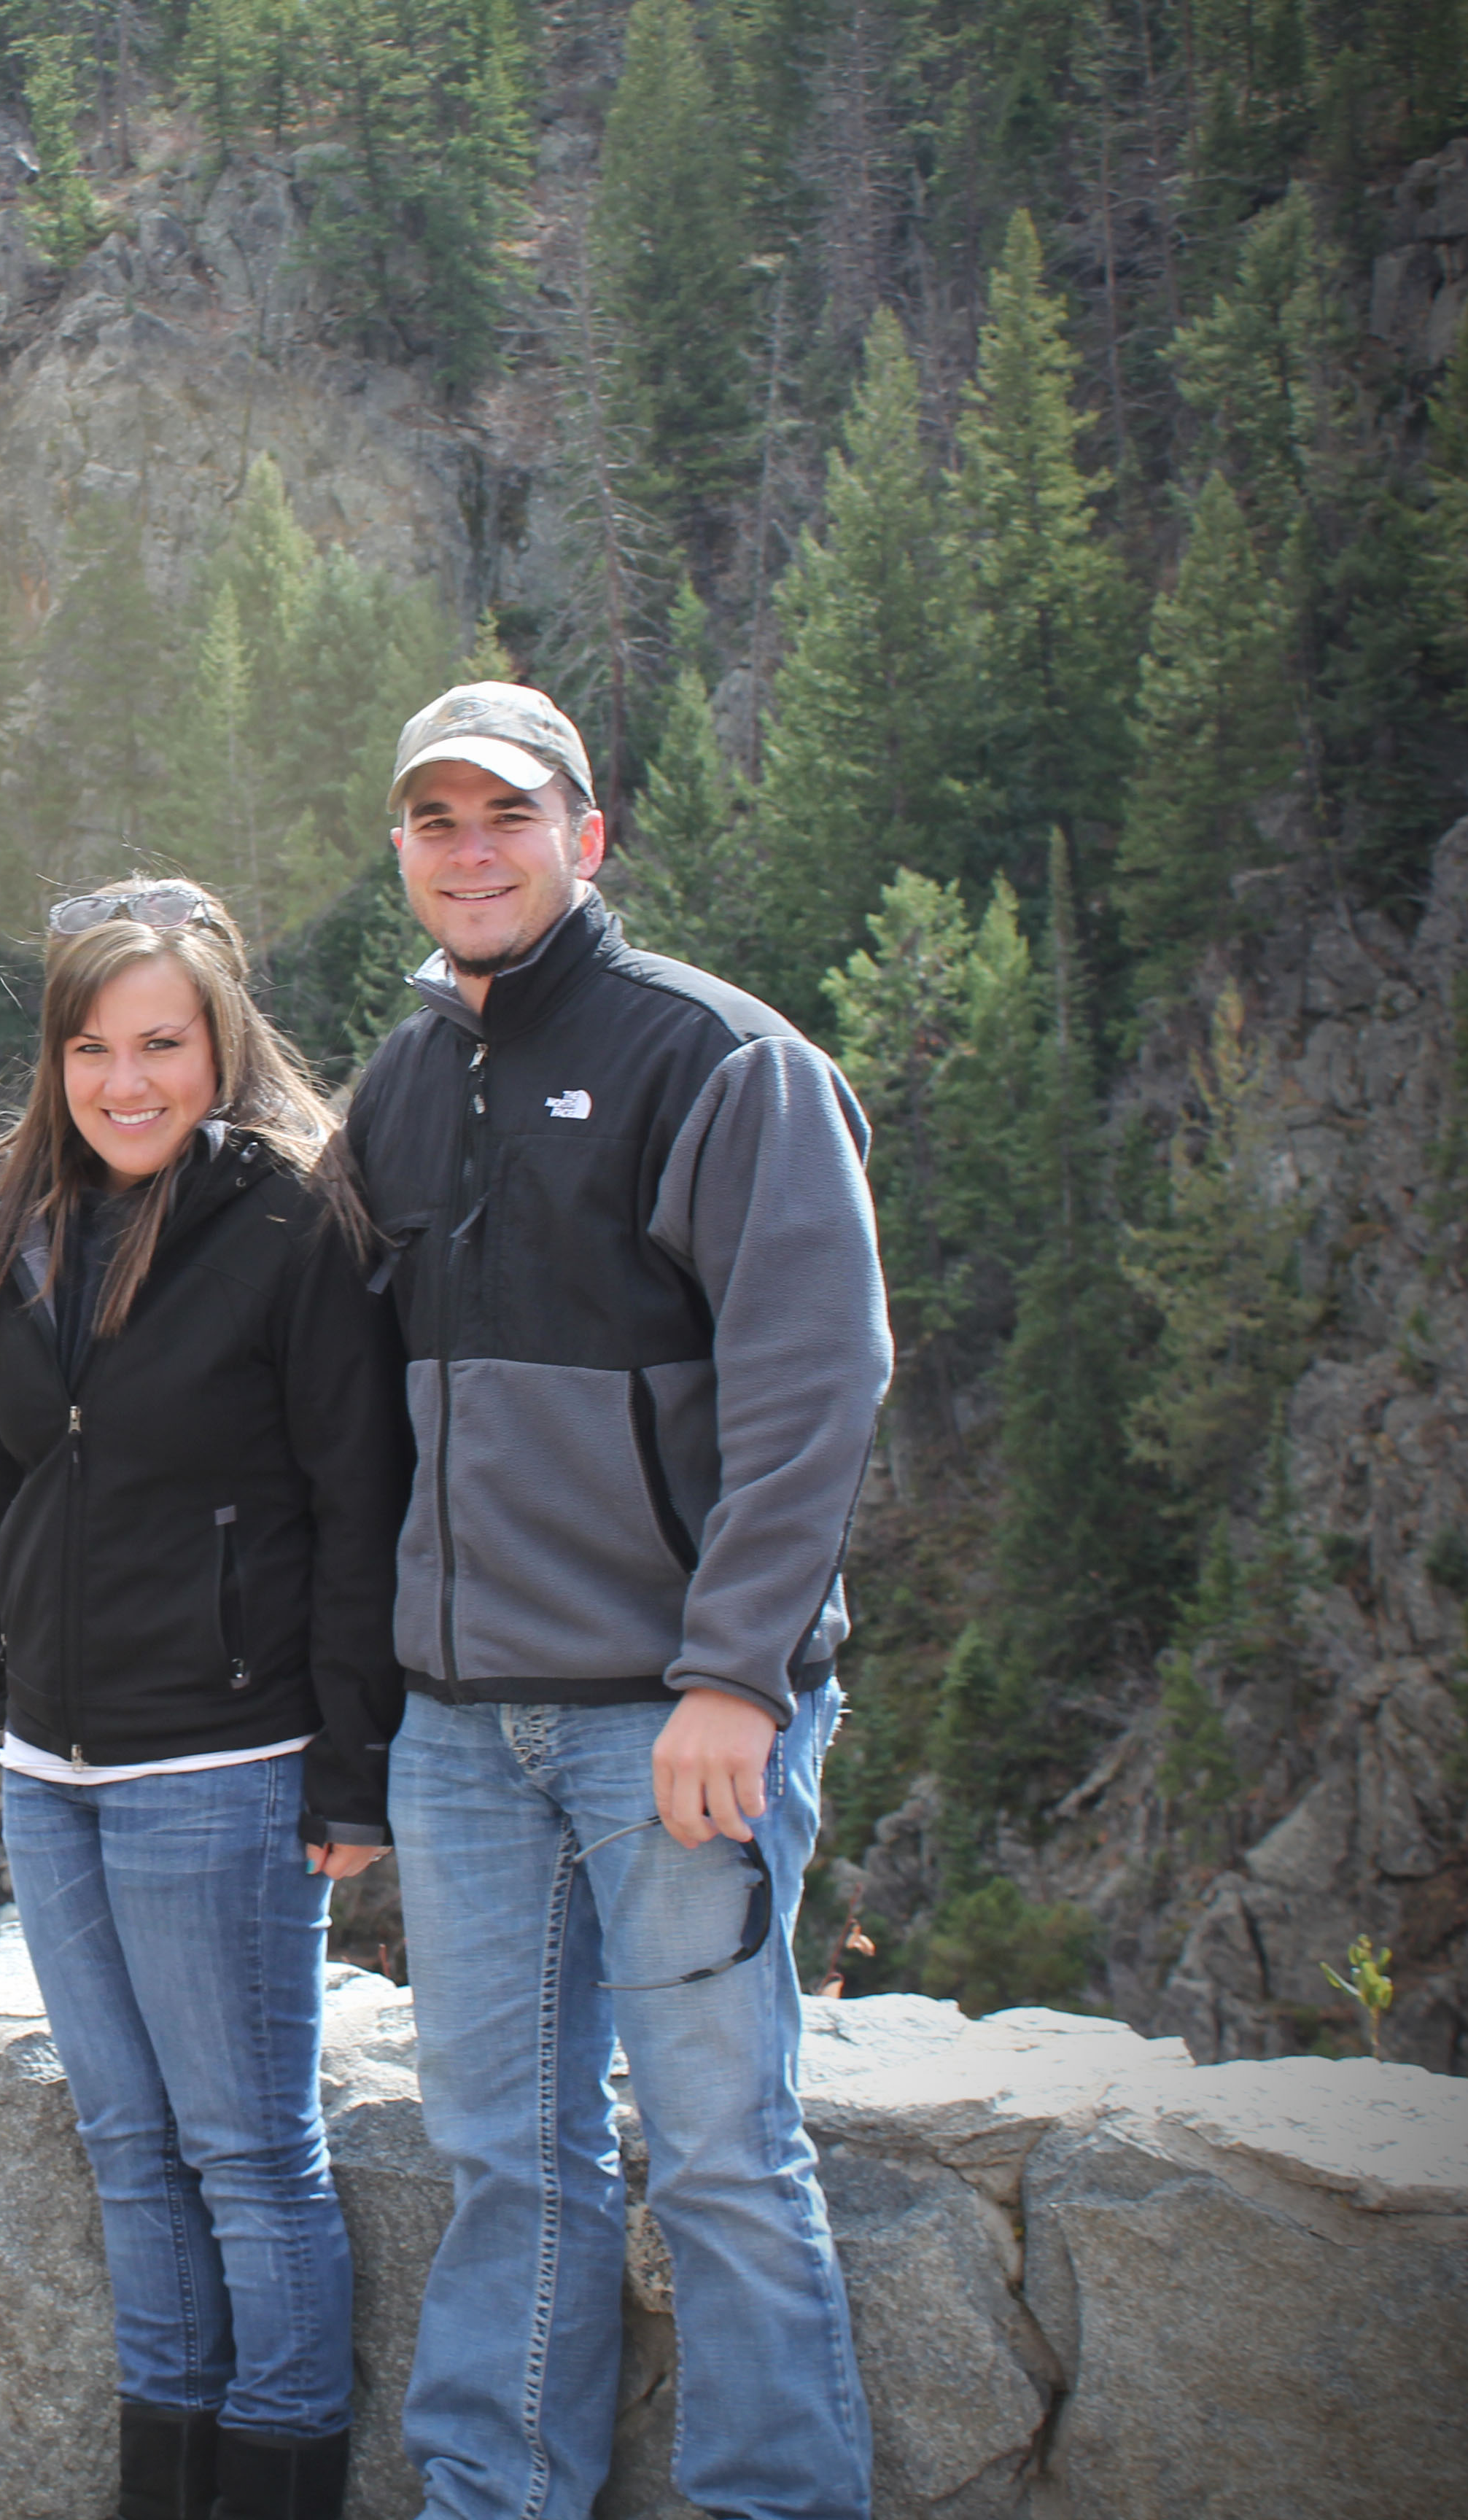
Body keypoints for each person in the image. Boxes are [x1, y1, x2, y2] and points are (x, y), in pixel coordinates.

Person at [340, 684, 887, 2520]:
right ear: (402, 852)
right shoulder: (404, 1083)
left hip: (675, 1717)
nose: (471, 849)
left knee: (722, 2152)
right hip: (460, 1730)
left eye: (508, 814)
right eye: (435, 820)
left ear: (585, 835)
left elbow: (817, 1382)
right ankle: (492, 2497)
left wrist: (736, 1676)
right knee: (507, 2157)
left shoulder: (720, 1062)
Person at [0, 878, 404, 2520]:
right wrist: (12, 1699)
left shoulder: (290, 1224)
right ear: (55, 1060)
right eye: (93, 1049)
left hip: (228, 1760)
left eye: (163, 1045)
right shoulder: (4, 1224)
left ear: (222, 1046)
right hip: (55, 1770)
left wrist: (352, 1767)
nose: (128, 1083)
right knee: (130, 2153)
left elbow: (358, 1501)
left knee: (251, 2162)